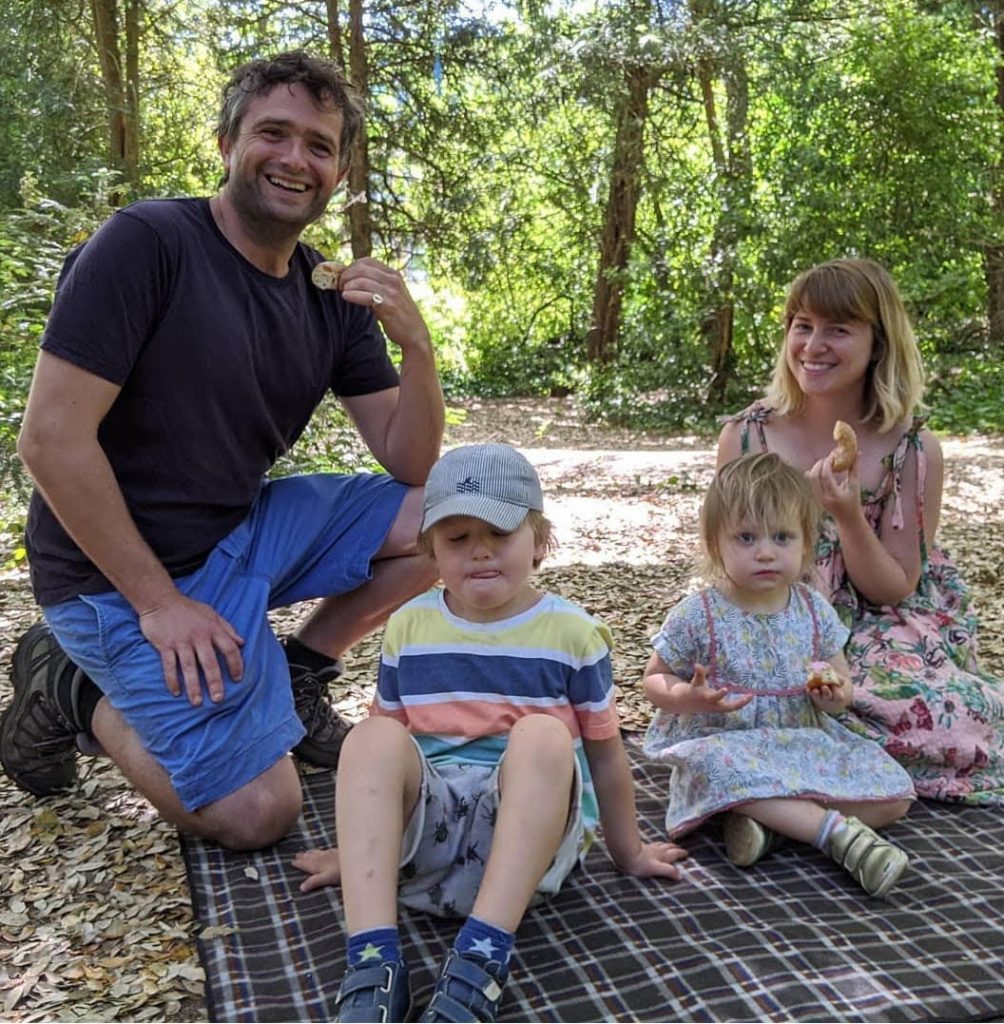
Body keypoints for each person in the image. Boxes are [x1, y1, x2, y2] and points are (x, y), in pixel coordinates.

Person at [0, 50, 444, 850]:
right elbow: (51, 440)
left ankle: (303, 674)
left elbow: (410, 466)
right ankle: (65, 681)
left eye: (318, 145)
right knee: (256, 813)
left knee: (458, 514)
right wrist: (160, 604)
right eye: (273, 133)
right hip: (114, 576)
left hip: (238, 532)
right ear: (226, 142)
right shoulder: (148, 243)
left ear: (339, 172)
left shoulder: (327, 293)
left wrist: (417, 350)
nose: (294, 158)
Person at [293, 443, 687, 1023]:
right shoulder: (408, 627)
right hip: (427, 841)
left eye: (498, 534)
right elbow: (382, 766)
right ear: (429, 549)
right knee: (369, 737)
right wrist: (356, 852)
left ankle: (481, 960)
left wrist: (628, 852)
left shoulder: (575, 635)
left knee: (545, 737)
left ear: (540, 541)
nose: (479, 551)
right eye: (457, 538)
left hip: (527, 844)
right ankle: (374, 960)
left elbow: (604, 755)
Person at [717, 257, 1004, 804]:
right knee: (752, 697)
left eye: (838, 330)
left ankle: (782, 795)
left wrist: (847, 515)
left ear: (878, 342)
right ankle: (803, 787)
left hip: (876, 624)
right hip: (770, 608)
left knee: (930, 711)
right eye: (802, 325)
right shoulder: (746, 438)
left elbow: (893, 587)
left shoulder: (911, 449)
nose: (813, 344)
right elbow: (726, 554)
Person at [642, 453, 915, 898]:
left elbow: (841, 686)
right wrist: (688, 699)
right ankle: (837, 837)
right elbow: (653, 680)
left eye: (782, 537)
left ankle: (770, 822)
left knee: (895, 797)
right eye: (746, 537)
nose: (766, 551)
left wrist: (832, 695)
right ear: (716, 545)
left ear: (806, 544)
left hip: (798, 739)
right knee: (719, 765)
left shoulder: (814, 611)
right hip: (729, 741)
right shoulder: (699, 614)